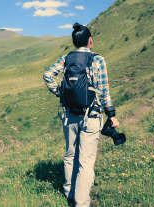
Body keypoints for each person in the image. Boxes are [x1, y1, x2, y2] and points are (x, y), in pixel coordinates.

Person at [43, 23, 119, 207]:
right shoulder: (98, 60)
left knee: (70, 155)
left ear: (75, 42)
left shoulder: (66, 58)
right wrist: (112, 114)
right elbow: (104, 91)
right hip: (91, 115)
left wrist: (60, 92)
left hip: (69, 114)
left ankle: (69, 193)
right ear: (90, 41)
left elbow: (47, 75)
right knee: (86, 160)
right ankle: (82, 202)